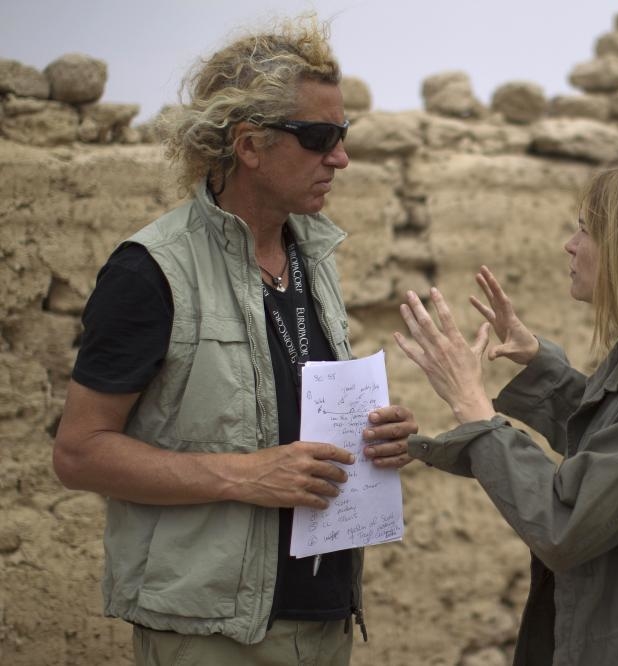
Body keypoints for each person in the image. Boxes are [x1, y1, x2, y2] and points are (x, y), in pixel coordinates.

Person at [52, 15, 416, 666]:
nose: (340, 158)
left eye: (343, 134)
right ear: (249, 145)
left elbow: (287, 409)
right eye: (319, 137)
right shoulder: (151, 271)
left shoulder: (312, 255)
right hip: (212, 634)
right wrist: (246, 475)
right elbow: (79, 454)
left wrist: (375, 438)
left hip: (326, 623)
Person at [394, 160, 618, 665]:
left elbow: (563, 524)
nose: (570, 245)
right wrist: (540, 366)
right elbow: (614, 443)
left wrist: (473, 407)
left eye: (586, 230)